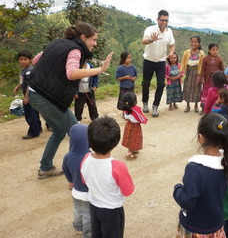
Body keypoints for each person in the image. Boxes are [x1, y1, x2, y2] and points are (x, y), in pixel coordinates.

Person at [27, 21, 113, 179]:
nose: (95, 43)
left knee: (60, 131)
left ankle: (45, 167)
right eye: (93, 39)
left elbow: (36, 60)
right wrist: (99, 70)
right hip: (47, 97)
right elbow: (71, 73)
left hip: (35, 93)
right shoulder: (75, 50)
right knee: (79, 133)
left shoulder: (57, 43)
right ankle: (84, 173)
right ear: (83, 37)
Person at [173, 113, 228, 237]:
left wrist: (177, 189)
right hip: (216, 223)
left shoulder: (195, 169)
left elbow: (188, 201)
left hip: (195, 226)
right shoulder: (227, 162)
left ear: (200, 137)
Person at [81, 116, 134, 238]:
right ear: (115, 144)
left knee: (97, 234)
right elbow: (128, 191)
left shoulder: (85, 159)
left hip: (94, 206)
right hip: (112, 211)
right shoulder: (117, 166)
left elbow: (84, 180)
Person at [141, 9, 176, 117]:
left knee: (161, 84)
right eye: (162, 20)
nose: (164, 23)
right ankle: (145, 103)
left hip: (161, 62)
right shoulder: (150, 29)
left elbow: (172, 44)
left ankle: (155, 106)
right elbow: (144, 40)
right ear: (157, 19)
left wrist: (170, 53)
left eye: (166, 20)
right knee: (146, 83)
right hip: (148, 61)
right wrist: (152, 40)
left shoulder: (169, 31)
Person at [62, 123, 91, 237]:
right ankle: (88, 234)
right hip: (87, 193)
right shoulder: (90, 157)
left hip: (76, 191)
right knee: (88, 214)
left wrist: (71, 180)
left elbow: (65, 169)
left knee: (77, 209)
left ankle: (78, 227)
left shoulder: (68, 156)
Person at [13, 50, 42, 139]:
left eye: (25, 59)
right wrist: (18, 86)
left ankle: (33, 132)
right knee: (34, 112)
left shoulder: (29, 70)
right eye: (21, 59)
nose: (23, 61)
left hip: (30, 95)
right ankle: (38, 128)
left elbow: (30, 84)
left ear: (30, 60)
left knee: (30, 114)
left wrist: (26, 97)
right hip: (30, 94)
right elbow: (24, 82)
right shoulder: (24, 70)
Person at [180, 36, 205, 113]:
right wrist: (181, 72)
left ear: (199, 43)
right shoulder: (186, 52)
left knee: (197, 89)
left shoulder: (201, 53)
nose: (193, 43)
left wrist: (200, 75)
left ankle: (196, 106)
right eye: (192, 42)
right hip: (188, 72)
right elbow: (183, 63)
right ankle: (187, 106)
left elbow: (202, 65)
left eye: (195, 42)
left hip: (196, 72)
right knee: (187, 88)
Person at [121, 92, 148, 160]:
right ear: (134, 101)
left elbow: (125, 118)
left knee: (129, 137)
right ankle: (129, 153)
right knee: (134, 138)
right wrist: (144, 120)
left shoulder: (125, 108)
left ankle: (133, 149)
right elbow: (140, 117)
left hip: (129, 124)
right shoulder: (135, 109)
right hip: (135, 126)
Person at [199, 42, 224, 115]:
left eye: (216, 49)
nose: (215, 51)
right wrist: (202, 78)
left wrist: (222, 78)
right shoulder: (205, 59)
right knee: (205, 94)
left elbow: (222, 69)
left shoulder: (219, 59)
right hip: (207, 79)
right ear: (209, 50)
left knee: (214, 94)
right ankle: (203, 108)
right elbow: (202, 69)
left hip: (216, 81)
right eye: (213, 49)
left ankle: (214, 108)